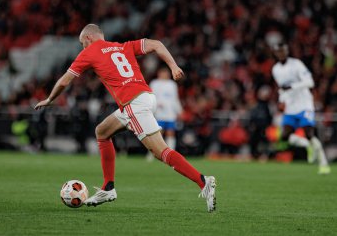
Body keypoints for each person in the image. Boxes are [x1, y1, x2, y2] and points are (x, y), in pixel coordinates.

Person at [34, 24, 216, 212]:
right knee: (102, 131)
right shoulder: (123, 46)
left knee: (160, 152)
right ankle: (108, 188)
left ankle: (203, 181)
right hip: (146, 97)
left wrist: (49, 99)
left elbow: (65, 80)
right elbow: (156, 44)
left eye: (82, 43)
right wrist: (173, 66)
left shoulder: (89, 52)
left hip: (134, 105)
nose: (82, 47)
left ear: (88, 38)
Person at [271, 43, 331, 174]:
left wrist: (292, 87)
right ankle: (308, 145)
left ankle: (323, 164)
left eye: (283, 51)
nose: (281, 54)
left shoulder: (296, 64)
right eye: (278, 51)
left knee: (309, 133)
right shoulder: (275, 69)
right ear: (275, 53)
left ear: (287, 51)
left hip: (304, 104)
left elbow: (310, 82)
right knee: (285, 136)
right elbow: (282, 88)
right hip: (290, 107)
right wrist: (282, 99)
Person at [148, 67, 182, 160]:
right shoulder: (154, 83)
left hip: (170, 113)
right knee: (157, 133)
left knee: (170, 132)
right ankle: (152, 154)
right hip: (158, 113)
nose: (164, 75)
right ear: (159, 73)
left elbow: (175, 99)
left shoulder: (172, 84)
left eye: (166, 73)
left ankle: (171, 154)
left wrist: (179, 111)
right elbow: (151, 96)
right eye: (162, 73)